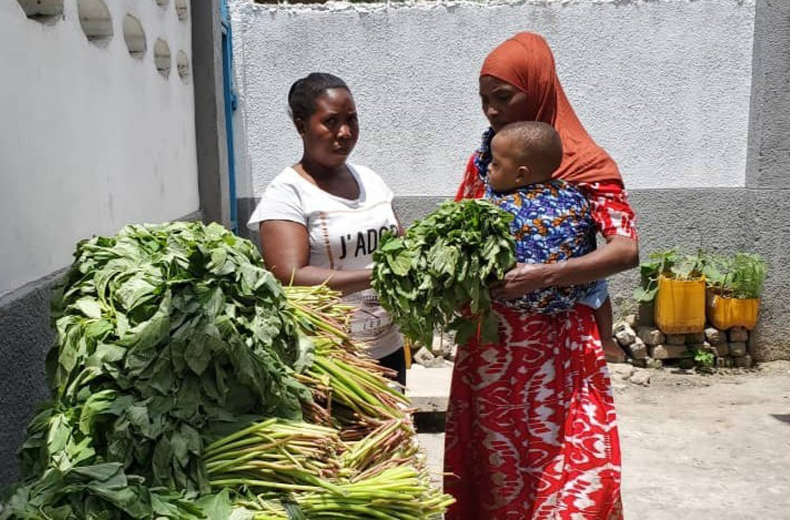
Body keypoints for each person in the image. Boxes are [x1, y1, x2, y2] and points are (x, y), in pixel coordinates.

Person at [444, 32, 639, 519]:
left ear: (539, 88)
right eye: (485, 100)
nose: (491, 110)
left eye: (503, 97)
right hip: (490, 343)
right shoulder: (484, 161)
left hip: (560, 344)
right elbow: (457, 226)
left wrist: (548, 274)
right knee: (497, 462)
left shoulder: (587, 165)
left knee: (574, 459)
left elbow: (625, 249)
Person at [247, 72, 406, 385]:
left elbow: (402, 245)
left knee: (396, 431)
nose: (345, 132)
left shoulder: (371, 180)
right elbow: (289, 276)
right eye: (331, 122)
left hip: (388, 348)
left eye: (352, 119)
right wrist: (376, 276)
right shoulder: (287, 192)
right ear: (301, 125)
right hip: (330, 359)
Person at [484, 120, 597, 315]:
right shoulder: (574, 195)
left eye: (495, 163)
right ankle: (606, 337)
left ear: (521, 175)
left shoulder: (500, 207)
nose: (488, 168)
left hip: (512, 298)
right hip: (575, 294)